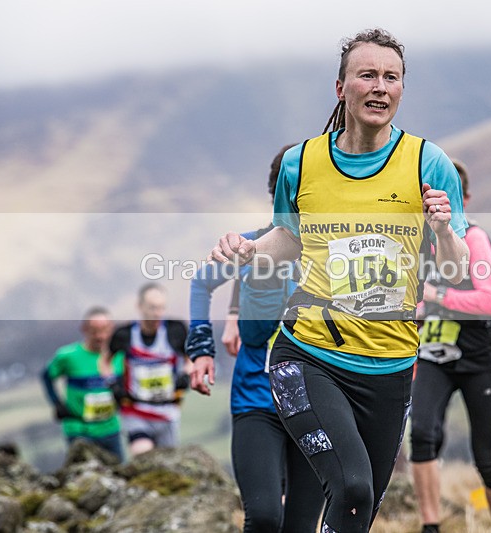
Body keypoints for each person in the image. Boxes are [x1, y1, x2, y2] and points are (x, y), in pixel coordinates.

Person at [199, 28, 469, 533]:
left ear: (402, 89)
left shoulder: (428, 163)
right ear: (341, 87)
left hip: (390, 364)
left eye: (392, 77)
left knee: (356, 513)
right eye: (367, 75)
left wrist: (442, 231)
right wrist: (250, 250)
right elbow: (289, 237)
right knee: (352, 487)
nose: (380, 87)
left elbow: (456, 270)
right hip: (308, 354)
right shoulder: (301, 163)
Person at [185, 144, 325, 533]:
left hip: (318, 404)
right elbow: (201, 282)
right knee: (264, 518)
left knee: (300, 526)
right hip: (256, 400)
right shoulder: (252, 246)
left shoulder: (336, 254)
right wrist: (200, 349)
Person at [409, 160, 491, 533]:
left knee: (485, 457)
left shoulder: (475, 239)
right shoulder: (417, 240)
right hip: (432, 356)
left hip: (476, 359)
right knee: (422, 437)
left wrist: (437, 296)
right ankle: (431, 526)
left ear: (463, 199)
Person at [105, 283, 191, 456]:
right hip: (136, 410)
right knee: (142, 454)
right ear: (140, 306)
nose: (157, 313)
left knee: (167, 463)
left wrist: (186, 374)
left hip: (167, 410)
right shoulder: (124, 334)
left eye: (161, 308)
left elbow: (191, 359)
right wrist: (112, 383)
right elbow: (104, 361)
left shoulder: (176, 330)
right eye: (152, 308)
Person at [41, 306, 123, 461]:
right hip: (79, 431)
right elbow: (46, 376)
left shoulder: (119, 356)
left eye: (104, 330)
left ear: (112, 328)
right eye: (94, 331)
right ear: (84, 329)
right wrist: (57, 403)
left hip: (110, 428)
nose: (100, 336)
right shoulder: (68, 356)